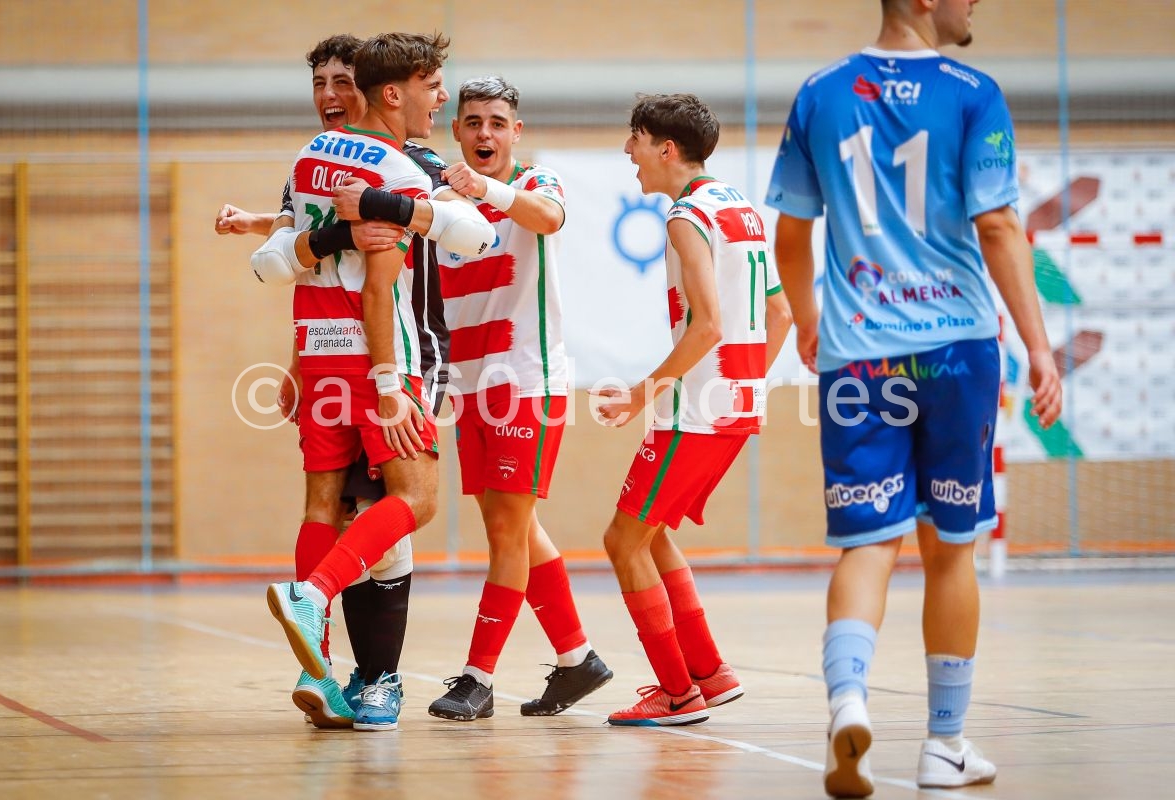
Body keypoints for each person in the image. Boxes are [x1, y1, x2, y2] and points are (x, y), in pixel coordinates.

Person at [766, 1, 1062, 795]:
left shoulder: (821, 92)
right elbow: (998, 226)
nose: (977, 4)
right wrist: (1039, 345)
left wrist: (807, 316)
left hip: (859, 353)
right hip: (956, 349)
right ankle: (944, 745)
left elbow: (790, 235)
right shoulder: (973, 91)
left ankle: (849, 700)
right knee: (950, 546)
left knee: (868, 543)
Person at [392, 76, 612, 723]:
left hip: (526, 383)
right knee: (518, 528)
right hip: (470, 385)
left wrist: (483, 188)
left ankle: (479, 678)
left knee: (504, 531)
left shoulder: (535, 186)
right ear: (456, 132)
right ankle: (578, 661)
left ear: (516, 132)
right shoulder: (440, 205)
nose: (485, 133)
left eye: (497, 122)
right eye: (473, 123)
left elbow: (545, 218)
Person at [260, 30, 454, 726]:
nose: (330, 96)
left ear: (367, 88)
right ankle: (373, 676)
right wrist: (382, 375)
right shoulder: (398, 165)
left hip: (330, 350)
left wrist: (298, 356)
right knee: (402, 508)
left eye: (343, 82)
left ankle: (324, 671)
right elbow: (347, 274)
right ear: (396, 92)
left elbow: (288, 254)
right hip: (389, 358)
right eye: (321, 84)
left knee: (339, 509)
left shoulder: (319, 158)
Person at [593, 93, 792, 726]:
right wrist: (747, 383)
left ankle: (677, 694)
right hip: (734, 406)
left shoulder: (686, 216)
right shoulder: (740, 208)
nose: (630, 152)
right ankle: (710, 670)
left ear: (666, 148)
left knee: (623, 540)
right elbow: (780, 313)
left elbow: (705, 327)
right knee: (653, 537)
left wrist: (638, 394)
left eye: (636, 140)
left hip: (696, 410)